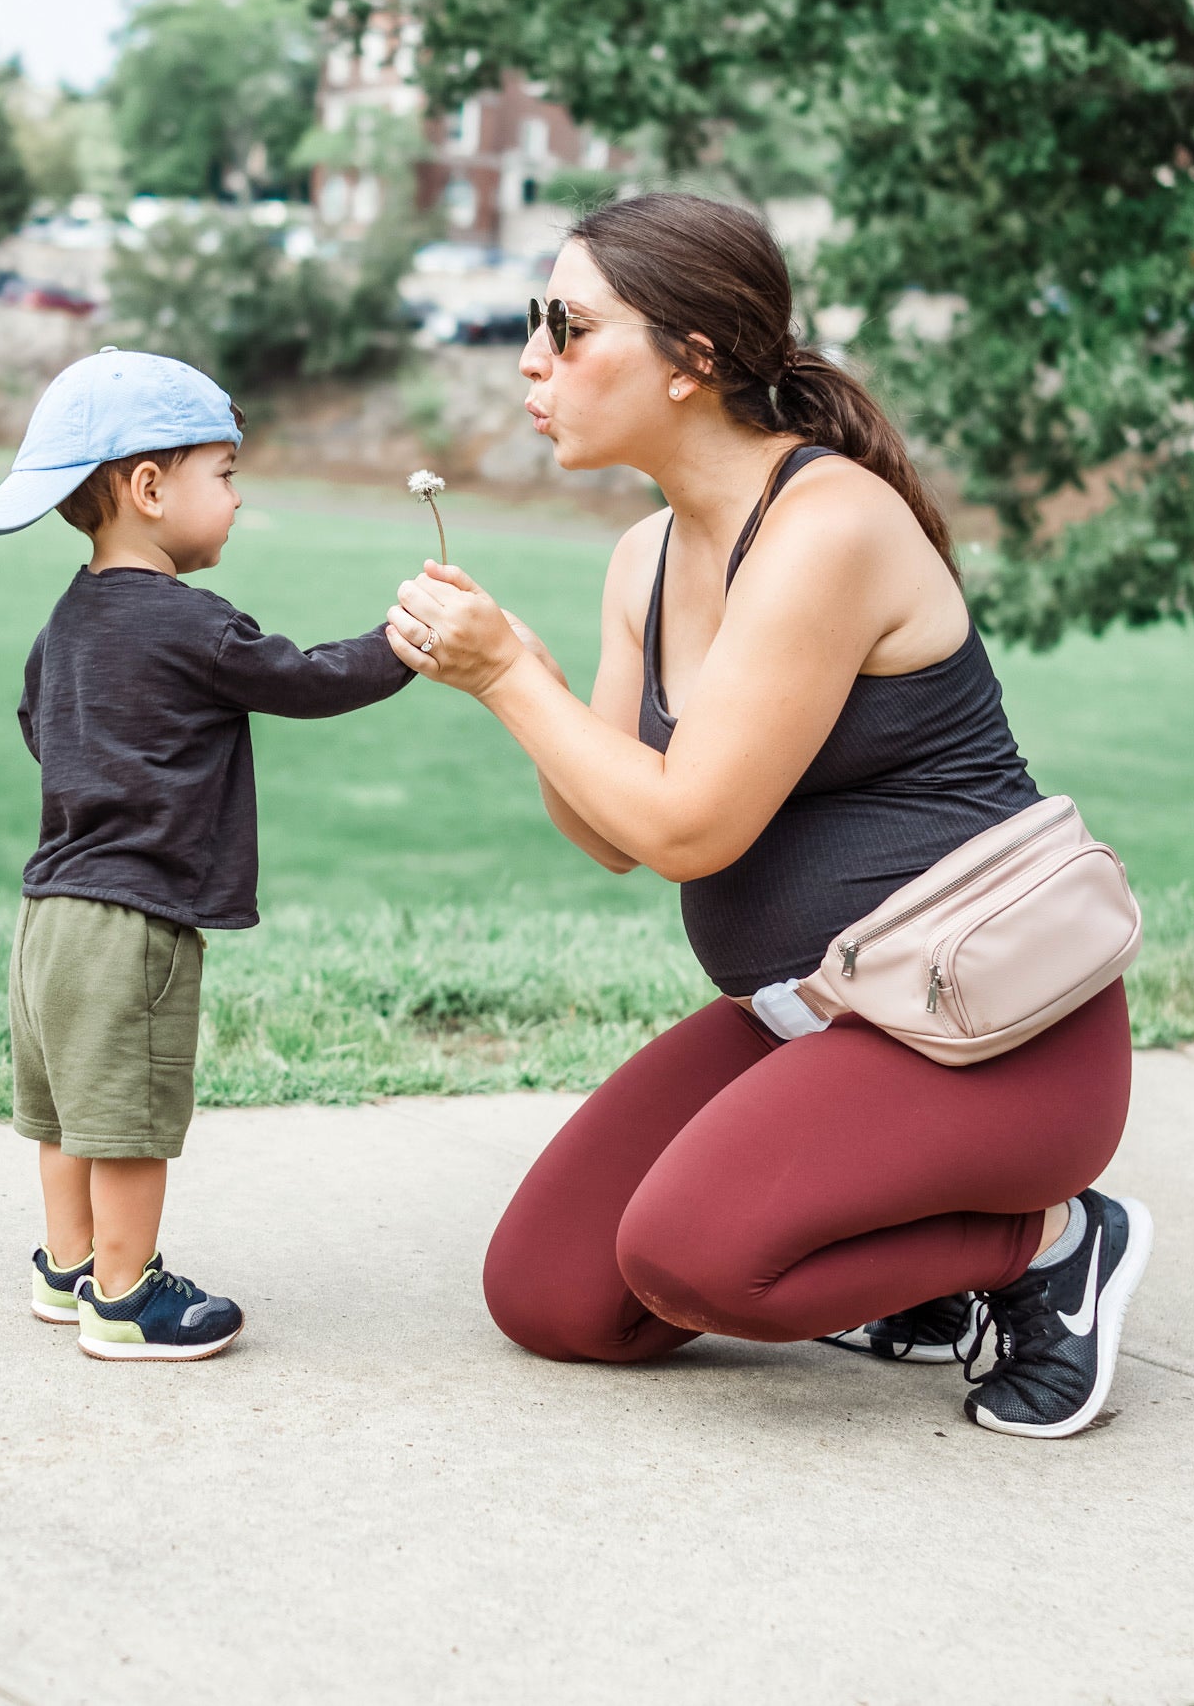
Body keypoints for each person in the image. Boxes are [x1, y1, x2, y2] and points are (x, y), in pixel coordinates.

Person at [386, 196, 1150, 1438]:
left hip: (987, 1033)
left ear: (690, 359)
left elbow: (691, 832)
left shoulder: (826, 525)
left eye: (568, 326)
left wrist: (506, 678)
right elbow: (613, 834)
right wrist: (515, 680)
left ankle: (1045, 1244)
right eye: (536, 322)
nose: (532, 356)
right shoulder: (645, 553)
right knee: (552, 1296)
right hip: (816, 1019)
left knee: (696, 1255)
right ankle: (905, 1246)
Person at [0, 349, 413, 1361]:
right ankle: (126, 1295)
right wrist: (404, 641)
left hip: (47, 911)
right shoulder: (192, 624)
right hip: (133, 917)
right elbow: (302, 678)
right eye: (223, 472)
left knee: (62, 1103)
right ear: (149, 487)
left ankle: (67, 1263)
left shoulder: (66, 619)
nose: (238, 496)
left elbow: (40, 721)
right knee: (127, 1113)